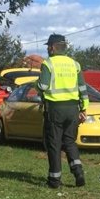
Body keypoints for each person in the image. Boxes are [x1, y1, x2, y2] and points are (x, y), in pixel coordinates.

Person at [37, 33, 89, 188]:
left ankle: (54, 180)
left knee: (54, 144)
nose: (47, 48)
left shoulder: (49, 63)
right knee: (70, 141)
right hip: (73, 109)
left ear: (53, 47)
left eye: (48, 46)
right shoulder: (75, 64)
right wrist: (84, 108)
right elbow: (82, 88)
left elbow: (43, 87)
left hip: (55, 109)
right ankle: (78, 171)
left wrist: (36, 84)